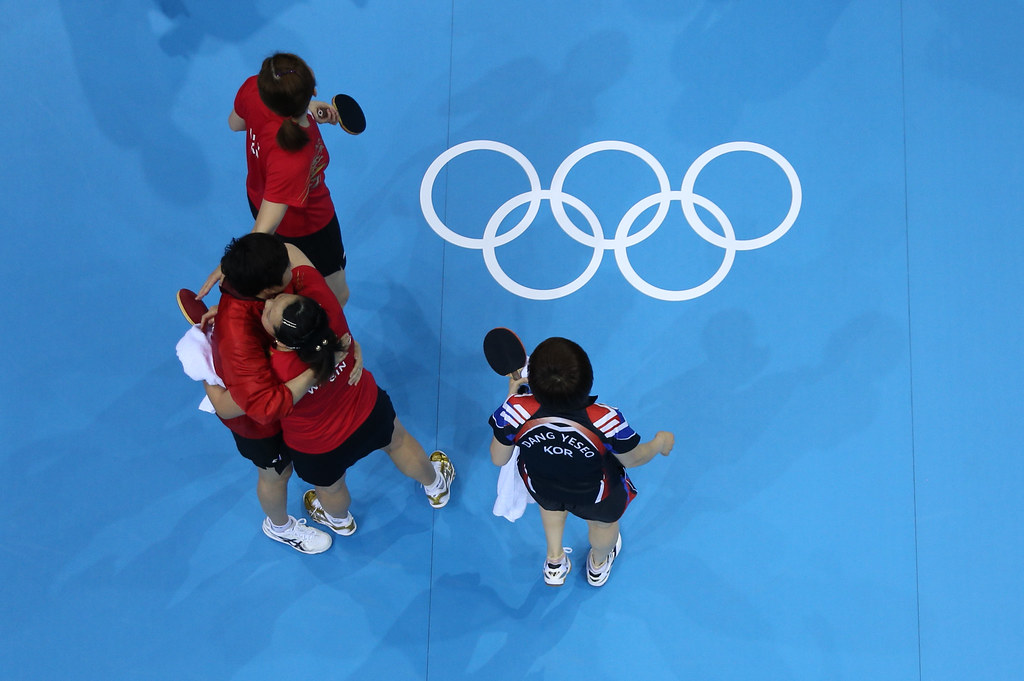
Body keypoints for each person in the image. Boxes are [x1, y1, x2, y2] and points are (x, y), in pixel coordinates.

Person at [258, 277, 455, 537]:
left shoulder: (270, 368)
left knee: (331, 488)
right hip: (369, 411)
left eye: (270, 309)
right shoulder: (332, 315)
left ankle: (340, 522)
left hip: (319, 446)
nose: (268, 300)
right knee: (399, 443)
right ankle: (436, 485)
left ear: (283, 341)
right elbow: (296, 259)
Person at [489, 337, 673, 587]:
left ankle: (555, 561)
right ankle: (597, 565)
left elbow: (498, 457)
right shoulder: (604, 419)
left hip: (543, 484)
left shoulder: (514, 410)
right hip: (596, 495)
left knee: (552, 510)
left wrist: (510, 401)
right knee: (603, 527)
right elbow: (633, 458)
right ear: (588, 381)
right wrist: (659, 444)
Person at [200, 233, 343, 554]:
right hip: (258, 425)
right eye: (286, 271)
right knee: (277, 473)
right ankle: (280, 527)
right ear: (267, 292)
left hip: (280, 398)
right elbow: (248, 407)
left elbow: (289, 249)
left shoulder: (261, 281)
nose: (293, 270)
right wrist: (321, 364)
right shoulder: (238, 340)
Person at [197, 52, 349, 307]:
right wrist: (230, 265)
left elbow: (235, 123)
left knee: (287, 277)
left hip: (257, 197)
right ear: (312, 88)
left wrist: (306, 112)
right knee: (337, 297)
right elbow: (262, 231)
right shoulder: (293, 157)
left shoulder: (252, 88)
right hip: (306, 226)